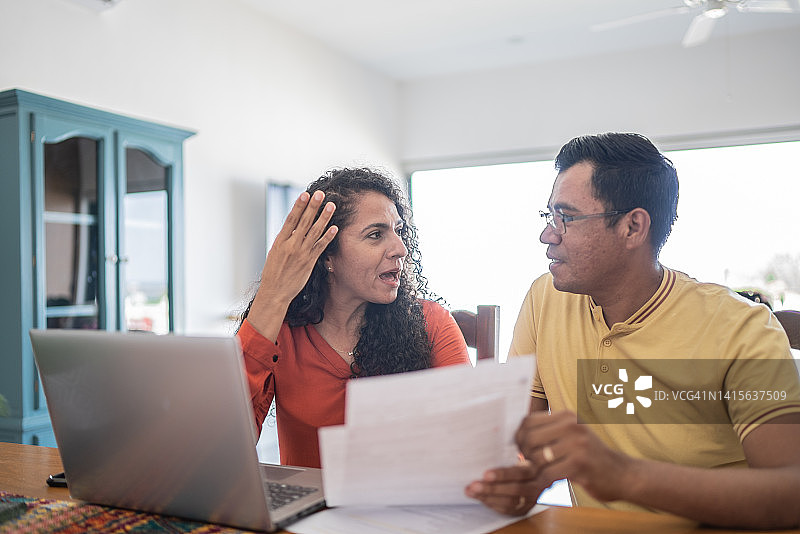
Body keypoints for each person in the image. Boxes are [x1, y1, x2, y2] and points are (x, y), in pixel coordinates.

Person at [465, 133, 800, 529]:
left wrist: (624, 476)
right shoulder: (545, 299)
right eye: (549, 217)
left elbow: (790, 495)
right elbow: (517, 441)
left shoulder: (740, 329)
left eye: (567, 218)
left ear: (632, 227)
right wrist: (520, 478)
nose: (548, 235)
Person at [236, 168, 470, 468]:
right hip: (311, 512)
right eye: (375, 235)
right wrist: (272, 297)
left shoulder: (432, 323)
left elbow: (472, 438)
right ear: (326, 256)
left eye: (399, 231)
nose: (400, 249)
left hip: (404, 509)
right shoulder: (282, 332)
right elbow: (223, 439)